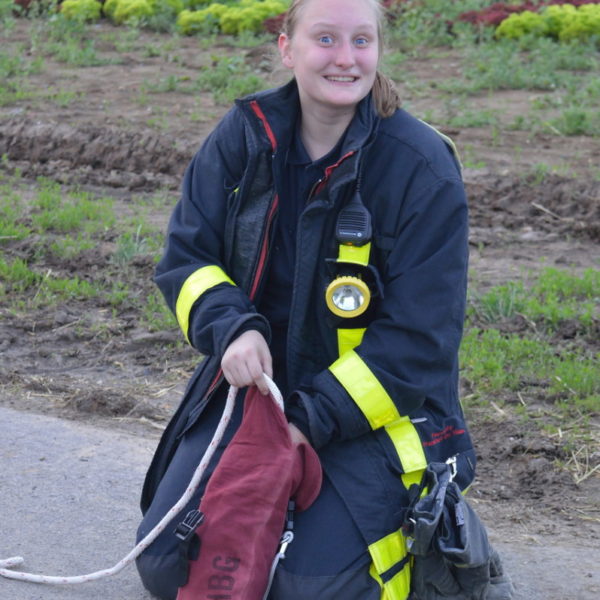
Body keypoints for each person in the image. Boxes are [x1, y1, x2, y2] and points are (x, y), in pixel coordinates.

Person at [135, 0, 477, 598]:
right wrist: (232, 327)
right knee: (170, 567)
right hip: (255, 393)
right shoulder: (244, 138)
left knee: (304, 588)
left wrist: (305, 421)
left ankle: (441, 530)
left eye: (361, 41)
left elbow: (420, 342)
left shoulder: (423, 168)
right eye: (325, 38)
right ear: (287, 48)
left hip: (373, 413)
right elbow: (186, 259)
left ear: (378, 51)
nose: (346, 59)